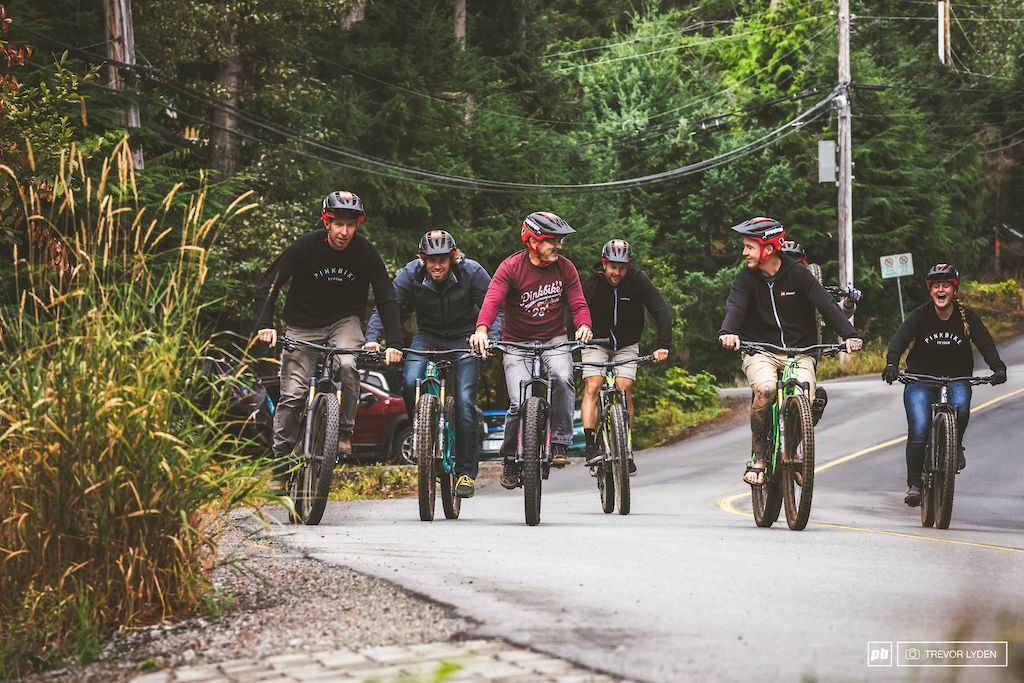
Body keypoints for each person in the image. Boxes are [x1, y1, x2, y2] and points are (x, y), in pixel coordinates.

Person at [254, 191, 403, 482]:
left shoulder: (365, 252)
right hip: (302, 324)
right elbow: (269, 285)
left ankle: (344, 431)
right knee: (293, 395)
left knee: (348, 364)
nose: (344, 232)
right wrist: (265, 323)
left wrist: (395, 343)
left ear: (358, 225)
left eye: (351, 225)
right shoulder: (306, 246)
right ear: (327, 222)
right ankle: (282, 465)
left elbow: (387, 298)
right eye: (338, 224)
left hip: (343, 321)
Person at [718, 217, 863, 486]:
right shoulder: (744, 279)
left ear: (769, 249)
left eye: (749, 247)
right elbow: (735, 308)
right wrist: (728, 332)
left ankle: (793, 450)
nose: (744, 252)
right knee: (766, 390)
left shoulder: (799, 275)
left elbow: (827, 306)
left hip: (800, 350)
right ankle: (759, 457)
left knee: (803, 398)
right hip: (759, 350)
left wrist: (850, 335)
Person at [365, 229, 500, 499]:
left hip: (465, 336)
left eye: (443, 260)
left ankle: (465, 472)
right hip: (428, 336)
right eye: (430, 260)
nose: (437, 266)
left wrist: (490, 339)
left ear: (452, 258)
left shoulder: (471, 272)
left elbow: (493, 305)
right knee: (409, 380)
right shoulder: (411, 274)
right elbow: (388, 305)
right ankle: (425, 436)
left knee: (463, 400)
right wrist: (373, 338)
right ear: (422, 259)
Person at [468, 211, 593, 489]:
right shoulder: (511, 267)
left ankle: (560, 444)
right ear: (533, 241)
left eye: (560, 241)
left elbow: (578, 302)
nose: (559, 246)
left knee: (562, 378)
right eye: (553, 241)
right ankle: (510, 457)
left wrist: (583, 325)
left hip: (554, 339)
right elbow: (492, 300)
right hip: (516, 343)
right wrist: (482, 329)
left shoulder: (566, 268)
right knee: (517, 402)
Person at [881, 263, 1007, 507]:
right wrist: (891, 363)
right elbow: (900, 338)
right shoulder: (921, 314)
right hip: (920, 380)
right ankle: (915, 484)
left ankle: (954, 444)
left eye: (946, 286)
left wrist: (997, 367)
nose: (941, 290)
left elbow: (984, 342)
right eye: (936, 286)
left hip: (957, 378)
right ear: (930, 290)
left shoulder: (967, 317)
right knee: (919, 428)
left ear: (954, 290)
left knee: (960, 406)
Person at [578, 239, 672, 473]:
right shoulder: (591, 284)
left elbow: (661, 311)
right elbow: (574, 309)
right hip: (595, 341)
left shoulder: (638, 280)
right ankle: (591, 447)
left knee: (624, 388)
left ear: (629, 266)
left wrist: (663, 345)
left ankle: (625, 449)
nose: (617, 272)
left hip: (627, 344)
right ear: (604, 264)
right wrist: (578, 331)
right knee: (593, 385)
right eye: (612, 267)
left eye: (622, 267)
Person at [780, 240, 861, 317]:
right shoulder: (769, 288)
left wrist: (848, 303)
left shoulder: (810, 289)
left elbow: (836, 314)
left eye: (798, 264)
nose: (792, 269)